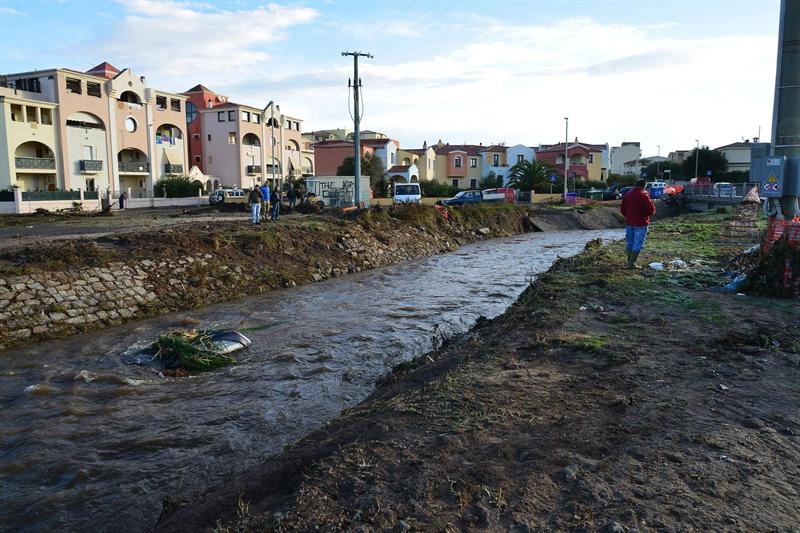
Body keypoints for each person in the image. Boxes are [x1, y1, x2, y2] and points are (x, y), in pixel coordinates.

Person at [620, 178, 656, 269]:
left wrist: (628, 216)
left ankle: (630, 262)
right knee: (638, 244)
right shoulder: (644, 196)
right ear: (644, 186)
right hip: (641, 222)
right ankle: (631, 264)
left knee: (629, 243)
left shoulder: (628, 195)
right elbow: (652, 210)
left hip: (629, 222)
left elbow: (623, 210)